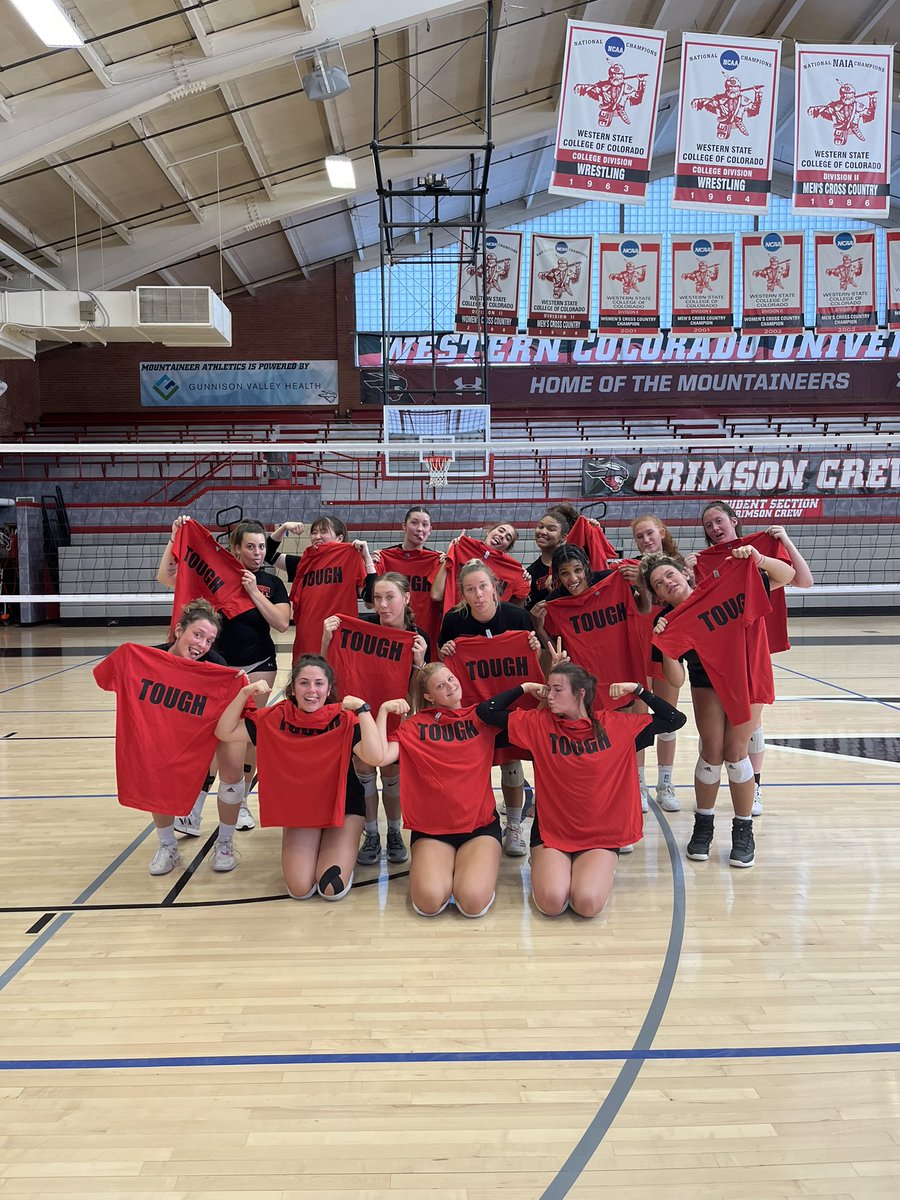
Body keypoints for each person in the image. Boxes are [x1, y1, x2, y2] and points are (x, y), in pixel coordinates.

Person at [477, 666, 686, 916]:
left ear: (580, 693)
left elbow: (675, 719)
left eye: (557, 690)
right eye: (548, 689)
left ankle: (596, 870)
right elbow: (486, 712)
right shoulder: (538, 724)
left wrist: (638, 690)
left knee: (587, 904)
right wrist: (524, 688)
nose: (549, 696)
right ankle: (545, 864)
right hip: (552, 832)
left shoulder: (616, 725)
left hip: (599, 835)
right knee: (552, 903)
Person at [646, 546, 794, 868]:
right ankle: (704, 824)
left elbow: (787, 575)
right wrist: (665, 646)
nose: (667, 582)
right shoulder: (665, 621)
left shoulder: (724, 586)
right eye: (658, 583)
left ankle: (743, 830)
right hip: (706, 683)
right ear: (657, 595)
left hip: (747, 676)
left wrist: (758, 559)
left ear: (685, 573)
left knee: (736, 752)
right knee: (712, 753)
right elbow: (676, 680)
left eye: (670, 574)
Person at [93, 600, 250, 877]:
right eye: (197, 635)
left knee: (232, 771)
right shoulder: (145, 659)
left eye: (209, 640)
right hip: (170, 729)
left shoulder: (216, 666)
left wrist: (240, 683)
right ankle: (167, 845)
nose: (202, 645)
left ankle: (225, 842)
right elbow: (103, 678)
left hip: (214, 724)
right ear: (178, 630)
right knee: (158, 772)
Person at [156, 516, 290, 834]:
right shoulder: (214, 575)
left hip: (258, 666)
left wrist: (253, 591)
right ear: (236, 548)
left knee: (246, 737)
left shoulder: (272, 584)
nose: (258, 553)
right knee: (211, 736)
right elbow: (166, 576)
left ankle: (240, 805)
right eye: (251, 547)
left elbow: (282, 623)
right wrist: (174, 538)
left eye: (261, 547)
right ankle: (195, 807)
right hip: (216, 669)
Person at [214, 656, 384, 901]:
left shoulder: (343, 718)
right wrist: (244, 694)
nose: (311, 690)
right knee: (299, 889)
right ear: (293, 688)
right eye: (304, 683)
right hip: (302, 811)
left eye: (319, 683)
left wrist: (362, 709)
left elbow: (375, 757)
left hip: (344, 809)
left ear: (329, 689)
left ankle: (339, 845)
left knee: (331, 888)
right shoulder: (275, 718)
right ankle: (317, 845)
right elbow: (225, 731)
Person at [697, 502, 814, 814]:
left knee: (751, 723)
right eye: (708, 525)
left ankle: (755, 786)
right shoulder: (703, 561)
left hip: (754, 644)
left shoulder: (758, 549)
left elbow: (803, 581)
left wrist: (784, 540)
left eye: (719, 521)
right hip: (721, 649)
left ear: (734, 520)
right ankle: (711, 789)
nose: (715, 528)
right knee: (714, 729)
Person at [322, 571, 430, 868]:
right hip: (362, 716)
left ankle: (394, 832)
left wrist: (419, 663)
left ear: (406, 598)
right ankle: (371, 834)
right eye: (377, 598)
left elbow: (417, 696)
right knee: (365, 769)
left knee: (392, 776)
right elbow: (328, 670)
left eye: (389, 597)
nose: (382, 605)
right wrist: (326, 639)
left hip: (398, 718)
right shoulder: (360, 627)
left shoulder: (418, 639)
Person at [377, 664, 503, 918]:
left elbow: (534, 724)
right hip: (432, 831)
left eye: (451, 679)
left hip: (479, 827)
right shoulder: (413, 726)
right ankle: (446, 872)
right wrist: (382, 712)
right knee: (429, 901)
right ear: (428, 696)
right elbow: (380, 756)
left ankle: (466, 872)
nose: (450, 686)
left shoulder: (481, 717)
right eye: (440, 685)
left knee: (472, 902)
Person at [438, 561, 541, 857]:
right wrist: (446, 653)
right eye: (470, 589)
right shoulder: (453, 620)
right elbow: (446, 667)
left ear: (495, 587)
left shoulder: (517, 617)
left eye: (483, 586)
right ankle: (478, 822)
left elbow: (535, 662)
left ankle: (514, 826)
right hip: (474, 706)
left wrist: (534, 649)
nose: (478, 594)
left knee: (511, 763)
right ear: (463, 594)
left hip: (510, 704)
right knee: (474, 767)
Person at [616, 514, 696, 813]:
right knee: (639, 721)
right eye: (639, 536)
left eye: (649, 533)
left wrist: (693, 574)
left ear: (661, 532)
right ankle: (638, 785)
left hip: (667, 648)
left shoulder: (679, 567)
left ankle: (665, 783)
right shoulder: (629, 569)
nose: (646, 540)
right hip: (638, 648)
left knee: (668, 717)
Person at [269, 515, 376, 660]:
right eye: (314, 532)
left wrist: (367, 558)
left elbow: (370, 601)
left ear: (339, 538)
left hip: (338, 638)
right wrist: (284, 528)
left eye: (323, 531)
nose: (317, 536)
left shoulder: (350, 561)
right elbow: (268, 554)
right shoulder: (304, 563)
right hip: (307, 639)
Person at [367, 506, 442, 654]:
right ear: (404, 525)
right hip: (389, 638)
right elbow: (369, 604)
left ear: (430, 530)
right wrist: (371, 566)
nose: (419, 529)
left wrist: (445, 564)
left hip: (424, 637)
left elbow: (440, 599)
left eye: (425, 524)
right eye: (414, 523)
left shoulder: (437, 561)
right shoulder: (383, 557)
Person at [431, 523, 529, 611]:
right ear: (488, 532)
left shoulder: (514, 571)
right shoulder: (461, 547)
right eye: (501, 530)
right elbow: (436, 595)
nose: (502, 536)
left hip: (488, 623)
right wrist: (451, 553)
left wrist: (525, 580)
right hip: (455, 620)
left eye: (508, 538)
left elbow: (517, 611)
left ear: (506, 549)